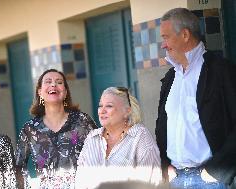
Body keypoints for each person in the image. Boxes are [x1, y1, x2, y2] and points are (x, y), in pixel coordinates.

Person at [155, 8, 236, 189]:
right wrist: (164, 165)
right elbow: (161, 125)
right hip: (175, 179)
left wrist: (217, 172)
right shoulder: (170, 78)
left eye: (166, 37)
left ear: (185, 35)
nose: (163, 45)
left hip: (210, 181)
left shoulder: (221, 71)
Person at [15, 69, 97, 188]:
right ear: (40, 92)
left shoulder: (82, 121)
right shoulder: (30, 129)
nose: (53, 84)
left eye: (59, 82)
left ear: (65, 92)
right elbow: (18, 166)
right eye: (48, 82)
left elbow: (101, 150)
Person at [76, 87, 161, 188]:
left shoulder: (140, 136)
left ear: (127, 111)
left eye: (109, 106)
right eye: (100, 106)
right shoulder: (92, 137)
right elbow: (81, 181)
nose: (102, 111)